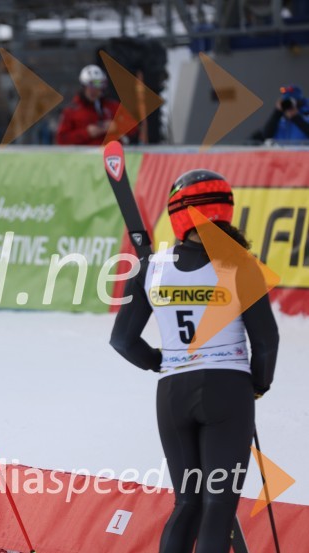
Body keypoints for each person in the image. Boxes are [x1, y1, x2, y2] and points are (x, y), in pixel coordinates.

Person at [110, 170, 278, 553]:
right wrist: (258, 384)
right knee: (218, 507)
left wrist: (159, 361)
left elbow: (122, 340)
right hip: (227, 389)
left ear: (177, 214)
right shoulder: (240, 265)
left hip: (173, 393)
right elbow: (266, 343)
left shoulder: (153, 266)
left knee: (187, 503)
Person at [56, 64, 127, 146]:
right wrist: (87, 133)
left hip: (110, 154)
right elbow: (61, 140)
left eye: (98, 86)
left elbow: (134, 129)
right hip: (82, 156)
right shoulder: (71, 110)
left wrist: (117, 127)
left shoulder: (112, 106)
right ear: (83, 86)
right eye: (90, 86)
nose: (93, 91)